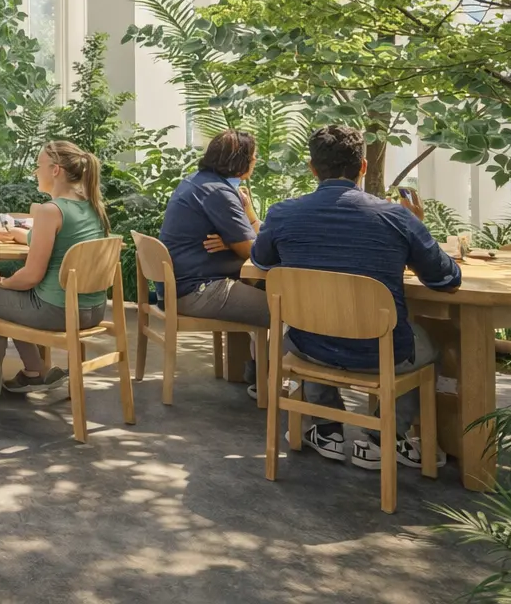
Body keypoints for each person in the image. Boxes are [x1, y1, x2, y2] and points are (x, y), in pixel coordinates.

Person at [252, 124, 460, 470]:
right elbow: (446, 278)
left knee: (316, 325)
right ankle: (385, 439)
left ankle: (328, 430)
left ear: (312, 168)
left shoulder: (283, 214)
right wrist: (416, 232)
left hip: (309, 345)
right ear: (363, 166)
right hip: (381, 351)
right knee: (429, 344)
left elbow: (261, 261)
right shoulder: (395, 217)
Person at [0, 140, 110, 398]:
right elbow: (61, 242)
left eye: (39, 166)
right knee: (16, 297)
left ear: (55, 170)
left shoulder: (50, 211)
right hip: (94, 310)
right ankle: (34, 372)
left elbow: (30, 278)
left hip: (59, 312)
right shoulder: (93, 206)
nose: (36, 171)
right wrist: (19, 235)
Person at [157, 129, 268, 389]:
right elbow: (254, 252)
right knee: (291, 310)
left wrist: (244, 224)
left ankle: (253, 373)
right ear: (239, 160)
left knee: (264, 289)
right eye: (253, 157)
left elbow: (249, 240)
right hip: (200, 289)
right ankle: (269, 384)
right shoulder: (218, 192)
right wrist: (237, 240)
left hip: (185, 284)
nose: (255, 162)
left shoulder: (197, 181)